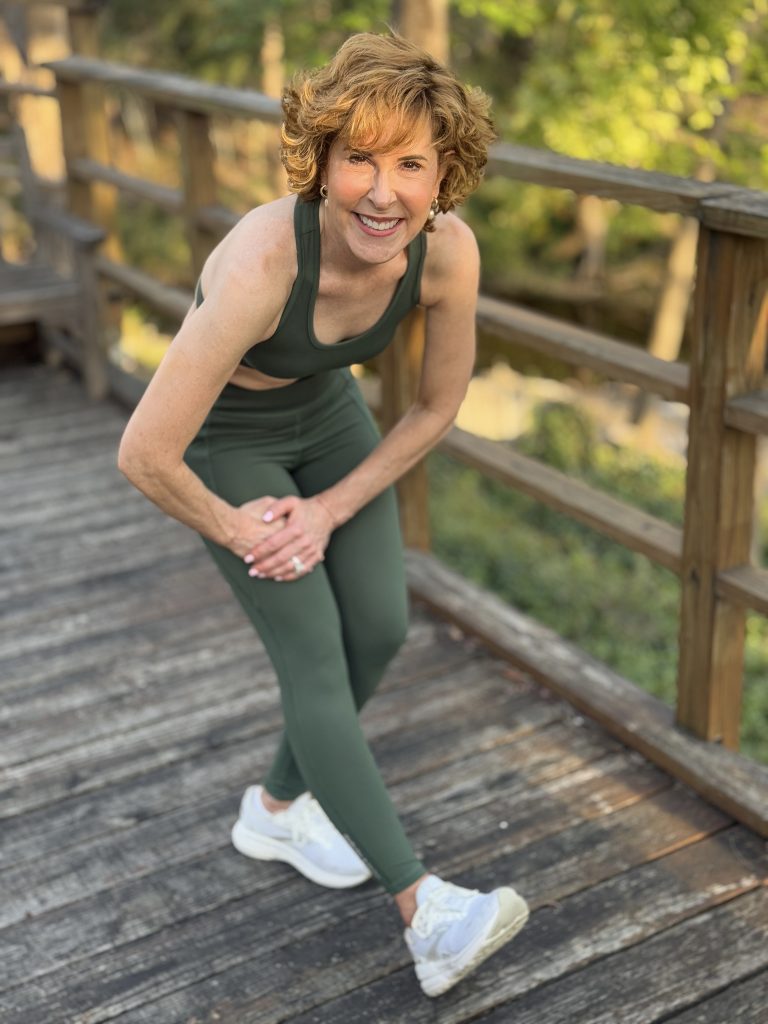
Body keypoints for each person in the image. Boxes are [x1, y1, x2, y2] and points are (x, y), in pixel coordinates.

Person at [117, 30, 528, 998]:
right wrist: (241, 524)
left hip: (330, 418)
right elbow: (143, 450)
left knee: (378, 629)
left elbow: (434, 407)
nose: (384, 192)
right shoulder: (265, 260)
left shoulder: (447, 254)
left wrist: (331, 509)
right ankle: (424, 907)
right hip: (227, 439)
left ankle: (275, 805)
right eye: (361, 160)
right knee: (312, 655)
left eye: (412, 165)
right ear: (323, 162)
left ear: (445, 175)